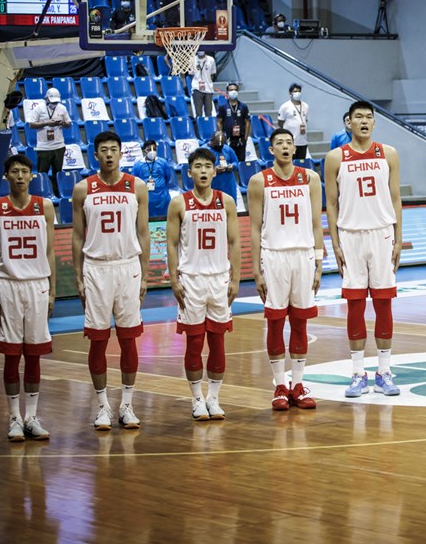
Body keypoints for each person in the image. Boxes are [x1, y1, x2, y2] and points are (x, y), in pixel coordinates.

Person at [71, 131, 150, 430]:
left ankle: (126, 405)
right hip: (96, 268)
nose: (108, 155)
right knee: (98, 340)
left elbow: (143, 233)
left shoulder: (136, 186)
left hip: (127, 266)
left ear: (120, 154)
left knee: (129, 339)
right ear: (95, 154)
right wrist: (79, 276)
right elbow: (77, 235)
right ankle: (103, 406)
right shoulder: (83, 189)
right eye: (103, 150)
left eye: (113, 150)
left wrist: (144, 275)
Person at [325, 100, 403, 397]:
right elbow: (331, 204)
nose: (364, 122)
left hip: (382, 234)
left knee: (383, 303)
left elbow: (396, 199)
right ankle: (358, 373)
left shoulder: (389, 154)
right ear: (348, 122)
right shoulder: (335, 157)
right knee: (355, 305)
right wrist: (334, 242)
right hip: (351, 235)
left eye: (369, 117)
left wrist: (398, 238)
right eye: (359, 117)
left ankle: (384, 371)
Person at [249, 129, 324, 410]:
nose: (284, 146)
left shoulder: (310, 178)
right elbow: (255, 229)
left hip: (303, 254)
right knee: (276, 321)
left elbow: (317, 223)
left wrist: (319, 262)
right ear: (270, 150)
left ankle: (299, 384)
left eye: (289, 143)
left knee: (301, 321)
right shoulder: (259, 181)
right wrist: (257, 270)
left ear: (295, 149)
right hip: (274, 256)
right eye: (279, 143)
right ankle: (280, 385)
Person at [0, 155, 56, 441]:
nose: (19, 176)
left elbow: (50, 250)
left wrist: (52, 290)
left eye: (24, 171)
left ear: (31, 176)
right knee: (12, 354)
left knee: (35, 353)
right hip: (9, 284)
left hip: (37, 284)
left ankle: (32, 417)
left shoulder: (44, 206)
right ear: (6, 176)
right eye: (14, 171)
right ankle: (14, 417)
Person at [166, 148, 241, 420]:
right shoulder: (179, 204)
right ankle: (197, 399)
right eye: (198, 166)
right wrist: (174, 278)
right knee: (194, 343)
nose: (203, 171)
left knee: (218, 342)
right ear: (189, 172)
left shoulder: (227, 202)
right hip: (191, 280)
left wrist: (235, 278)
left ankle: (214, 398)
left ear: (214, 170)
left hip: (219, 279)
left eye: (208, 166)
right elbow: (172, 244)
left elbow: (234, 242)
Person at [28, 88, 72, 190]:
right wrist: (47, 123)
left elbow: (68, 123)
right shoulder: (39, 108)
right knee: (42, 173)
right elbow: (31, 124)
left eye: (56, 102)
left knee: (58, 173)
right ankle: (42, 192)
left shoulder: (62, 108)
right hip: (44, 147)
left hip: (59, 146)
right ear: (47, 98)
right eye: (53, 102)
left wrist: (62, 123)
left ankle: (57, 193)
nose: (54, 104)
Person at [131, 140, 175, 218]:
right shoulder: (137, 165)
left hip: (162, 198)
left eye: (154, 149)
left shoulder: (163, 163)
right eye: (149, 149)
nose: (152, 151)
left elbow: (167, 176)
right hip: (146, 198)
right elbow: (134, 181)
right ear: (144, 150)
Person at [277, 83, 310, 160]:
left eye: (299, 91)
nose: (297, 93)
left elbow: (306, 120)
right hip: (290, 142)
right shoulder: (285, 106)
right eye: (295, 91)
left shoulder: (306, 106)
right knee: (290, 162)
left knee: (300, 164)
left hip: (302, 141)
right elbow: (280, 122)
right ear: (290, 93)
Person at [218, 83, 251, 161]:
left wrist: (245, 138)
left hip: (241, 138)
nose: (233, 91)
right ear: (227, 91)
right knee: (229, 160)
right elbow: (219, 122)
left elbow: (247, 122)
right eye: (231, 90)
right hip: (228, 138)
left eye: (235, 90)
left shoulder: (243, 106)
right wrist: (222, 135)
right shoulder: (223, 107)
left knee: (241, 160)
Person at [207, 132, 239, 203]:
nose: (220, 147)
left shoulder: (227, 149)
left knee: (230, 205)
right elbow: (201, 169)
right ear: (212, 141)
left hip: (228, 183)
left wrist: (232, 166)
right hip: (213, 183)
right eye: (217, 145)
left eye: (221, 145)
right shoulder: (204, 151)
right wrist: (214, 169)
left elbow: (236, 162)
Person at [189, 51, 217, 119]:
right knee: (198, 113)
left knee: (208, 112)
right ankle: (200, 128)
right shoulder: (192, 59)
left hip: (208, 88)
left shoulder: (211, 59)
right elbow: (191, 75)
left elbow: (212, 74)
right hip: (197, 88)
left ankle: (209, 128)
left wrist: (208, 82)